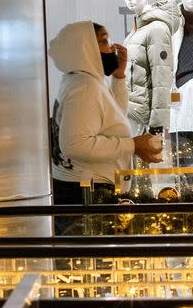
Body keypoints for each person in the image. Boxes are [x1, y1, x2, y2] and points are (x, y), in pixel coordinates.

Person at [49, 21, 162, 206]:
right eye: (104, 41)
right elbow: (75, 144)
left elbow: (113, 119)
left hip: (87, 188)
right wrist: (131, 145)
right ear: (85, 48)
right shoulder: (84, 87)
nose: (111, 47)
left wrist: (118, 76)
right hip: (86, 193)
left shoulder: (86, 80)